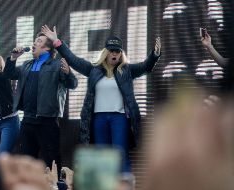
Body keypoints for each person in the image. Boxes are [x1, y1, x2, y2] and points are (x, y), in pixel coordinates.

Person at [41, 25, 161, 173]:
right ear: (106, 52)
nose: (114, 53)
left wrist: (154, 55)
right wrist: (57, 42)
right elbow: (73, 60)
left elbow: (145, 66)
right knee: (102, 158)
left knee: (121, 156)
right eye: (111, 50)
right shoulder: (94, 70)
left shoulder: (127, 70)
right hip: (99, 119)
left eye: (117, 51)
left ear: (121, 53)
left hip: (119, 118)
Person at [3, 32, 78, 171]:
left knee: (52, 161)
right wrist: (13, 58)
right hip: (27, 120)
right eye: (35, 41)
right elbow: (9, 74)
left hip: (47, 121)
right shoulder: (26, 65)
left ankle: (55, 189)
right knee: (26, 161)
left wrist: (68, 73)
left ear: (47, 48)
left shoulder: (56, 65)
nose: (33, 43)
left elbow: (73, 84)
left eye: (38, 41)